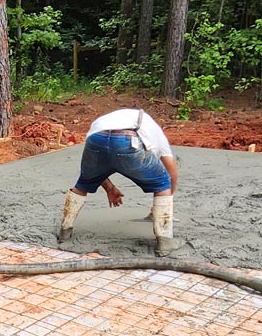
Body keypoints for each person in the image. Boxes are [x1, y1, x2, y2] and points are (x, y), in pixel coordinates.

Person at [59, 109, 178, 255]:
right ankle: (165, 241)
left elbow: (97, 170)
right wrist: (166, 201)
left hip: (96, 138)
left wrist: (110, 188)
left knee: (84, 182)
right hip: (126, 140)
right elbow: (171, 170)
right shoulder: (157, 135)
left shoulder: (112, 118)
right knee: (163, 182)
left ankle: (65, 231)